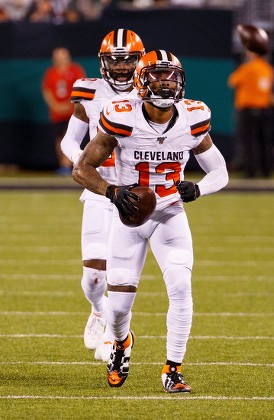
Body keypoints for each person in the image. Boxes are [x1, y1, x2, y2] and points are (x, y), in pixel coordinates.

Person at [72, 49, 229, 392]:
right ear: (142, 82)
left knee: (181, 288)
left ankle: (173, 369)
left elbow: (220, 171)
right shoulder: (122, 116)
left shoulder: (194, 117)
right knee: (117, 309)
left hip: (170, 212)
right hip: (128, 217)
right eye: (158, 75)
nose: (166, 82)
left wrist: (199, 189)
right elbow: (81, 168)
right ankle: (121, 343)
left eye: (171, 75)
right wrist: (112, 192)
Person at [60, 29, 145, 361]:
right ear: (103, 62)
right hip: (99, 190)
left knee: (122, 275)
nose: (122, 67)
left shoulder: (151, 92)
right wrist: (84, 165)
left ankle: (115, 335)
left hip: (134, 192)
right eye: (115, 60)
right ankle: (98, 310)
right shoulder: (89, 91)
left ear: (139, 60)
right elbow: (69, 141)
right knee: (95, 277)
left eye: (128, 60)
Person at [227, 29, 274, 178]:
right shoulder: (267, 68)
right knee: (264, 141)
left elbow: (232, 81)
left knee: (249, 142)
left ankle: (252, 172)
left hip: (248, 109)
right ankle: (267, 171)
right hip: (264, 109)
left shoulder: (248, 68)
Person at [41, 47, 86, 175]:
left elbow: (81, 88)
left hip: (73, 112)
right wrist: (55, 105)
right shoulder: (51, 72)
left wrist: (69, 104)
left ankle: (68, 165)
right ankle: (63, 165)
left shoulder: (75, 70)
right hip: (56, 113)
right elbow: (47, 90)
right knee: (59, 139)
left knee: (71, 137)